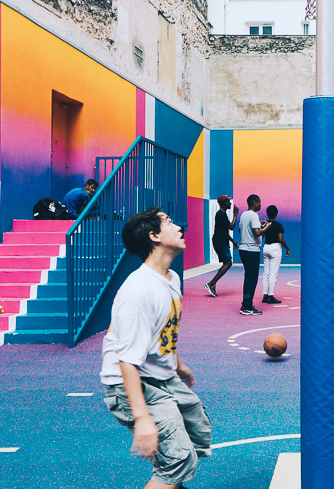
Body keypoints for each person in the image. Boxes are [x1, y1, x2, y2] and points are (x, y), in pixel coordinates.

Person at [100, 207, 212, 488]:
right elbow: (127, 362)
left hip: (161, 376)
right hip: (132, 384)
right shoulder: (138, 291)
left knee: (196, 432)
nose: (178, 226)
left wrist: (177, 363)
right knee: (176, 458)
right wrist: (143, 420)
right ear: (154, 236)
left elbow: (163, 331)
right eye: (169, 223)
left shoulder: (171, 279)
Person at [203, 196, 238, 297]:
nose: (230, 203)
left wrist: (233, 241)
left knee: (227, 263)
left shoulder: (222, 214)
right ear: (224, 203)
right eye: (228, 201)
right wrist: (235, 215)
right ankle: (211, 284)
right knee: (228, 263)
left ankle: (212, 284)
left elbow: (224, 231)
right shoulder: (221, 214)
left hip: (221, 240)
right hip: (220, 242)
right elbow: (231, 227)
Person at [236, 194, 265, 315]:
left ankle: (246, 303)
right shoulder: (254, 215)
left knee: (248, 278)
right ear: (255, 203)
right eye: (259, 202)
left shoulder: (244, 214)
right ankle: (247, 306)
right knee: (252, 279)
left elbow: (240, 230)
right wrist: (267, 227)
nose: (260, 204)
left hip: (244, 249)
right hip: (251, 250)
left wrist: (258, 223)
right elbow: (257, 233)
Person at [260, 205, 290, 304]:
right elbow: (281, 239)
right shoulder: (278, 225)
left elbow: (261, 236)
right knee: (273, 274)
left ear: (267, 214)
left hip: (266, 247)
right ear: (276, 214)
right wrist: (287, 248)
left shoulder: (265, 224)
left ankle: (265, 295)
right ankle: (271, 296)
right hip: (275, 248)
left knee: (266, 274)